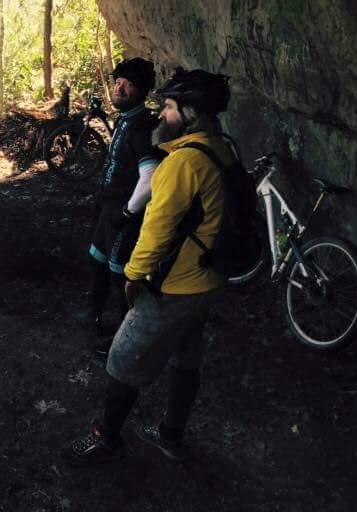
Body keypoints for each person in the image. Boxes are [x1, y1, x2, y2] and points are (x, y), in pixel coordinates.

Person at [65, 68, 232, 465]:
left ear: (190, 114)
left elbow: (157, 231)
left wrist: (133, 277)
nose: (162, 116)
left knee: (122, 360)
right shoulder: (221, 149)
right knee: (185, 357)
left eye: (170, 107)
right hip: (207, 279)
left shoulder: (182, 163)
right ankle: (171, 435)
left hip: (173, 286)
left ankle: (106, 438)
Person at [75, 58, 159, 357]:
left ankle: (125, 339)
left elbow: (149, 178)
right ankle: (94, 315)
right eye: (118, 81)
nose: (119, 88)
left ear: (142, 91)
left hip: (125, 215)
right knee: (96, 260)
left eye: (128, 84)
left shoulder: (143, 127)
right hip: (109, 208)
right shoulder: (126, 118)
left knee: (121, 275)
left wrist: (128, 212)